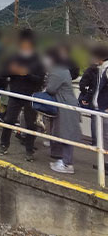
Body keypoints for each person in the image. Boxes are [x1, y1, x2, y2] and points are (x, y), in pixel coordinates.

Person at [0, 29, 45, 161]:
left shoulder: (37, 59)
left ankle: (29, 151)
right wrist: (13, 71)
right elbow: (3, 71)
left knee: (31, 124)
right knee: (8, 120)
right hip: (15, 93)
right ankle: (3, 146)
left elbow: (40, 79)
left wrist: (26, 73)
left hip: (31, 95)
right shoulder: (14, 56)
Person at [44, 46, 82, 174]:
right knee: (64, 132)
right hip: (67, 104)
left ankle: (67, 164)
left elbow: (50, 89)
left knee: (66, 133)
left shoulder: (57, 71)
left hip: (65, 106)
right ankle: (64, 161)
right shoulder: (63, 70)